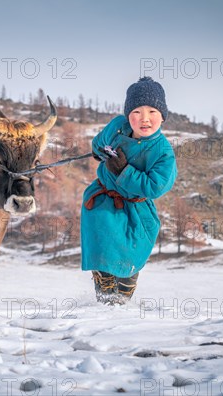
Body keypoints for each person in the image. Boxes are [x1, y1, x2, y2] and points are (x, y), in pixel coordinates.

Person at [81, 77, 177, 305]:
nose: (145, 118)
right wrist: (100, 152)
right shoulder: (117, 126)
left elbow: (154, 186)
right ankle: (103, 285)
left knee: (128, 257)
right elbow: (99, 143)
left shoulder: (163, 152)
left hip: (136, 208)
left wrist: (124, 170)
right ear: (127, 115)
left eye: (152, 111)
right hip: (104, 199)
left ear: (162, 116)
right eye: (137, 112)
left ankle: (123, 291)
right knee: (102, 240)